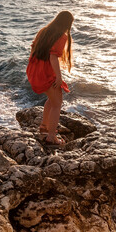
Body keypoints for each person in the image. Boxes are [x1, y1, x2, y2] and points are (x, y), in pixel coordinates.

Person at [26, 11, 74, 146]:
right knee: (57, 103)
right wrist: (59, 76)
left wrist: (34, 67)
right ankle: (51, 137)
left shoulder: (44, 31)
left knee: (52, 99)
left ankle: (44, 128)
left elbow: (33, 48)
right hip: (45, 72)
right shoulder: (61, 36)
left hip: (35, 69)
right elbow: (53, 57)